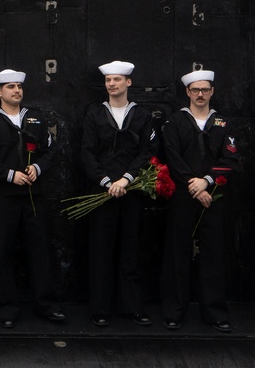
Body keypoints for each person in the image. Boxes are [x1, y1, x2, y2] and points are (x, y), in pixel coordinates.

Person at [0, 68, 65, 328]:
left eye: (19, 87)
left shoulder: (36, 119)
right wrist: (9, 175)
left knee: (41, 249)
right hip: (2, 196)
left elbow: (50, 151)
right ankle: (6, 308)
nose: (16, 91)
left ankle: (47, 305)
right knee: (3, 250)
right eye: (10, 87)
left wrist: (38, 168)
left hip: (33, 195)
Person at [159, 70, 239, 333]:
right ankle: (174, 311)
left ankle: (215, 312)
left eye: (205, 90)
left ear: (212, 91)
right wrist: (194, 186)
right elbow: (173, 158)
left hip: (213, 196)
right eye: (196, 90)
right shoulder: (175, 122)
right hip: (184, 195)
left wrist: (207, 181)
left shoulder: (223, 124)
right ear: (188, 92)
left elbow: (230, 160)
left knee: (213, 254)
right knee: (177, 253)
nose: (200, 94)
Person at [80, 60, 157, 327]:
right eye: (108, 80)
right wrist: (106, 181)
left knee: (132, 249)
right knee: (101, 250)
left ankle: (132, 306)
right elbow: (87, 152)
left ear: (128, 82)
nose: (111, 84)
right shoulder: (94, 114)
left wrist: (126, 179)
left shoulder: (142, 116)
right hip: (102, 192)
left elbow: (148, 151)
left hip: (131, 191)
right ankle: (100, 308)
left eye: (116, 80)